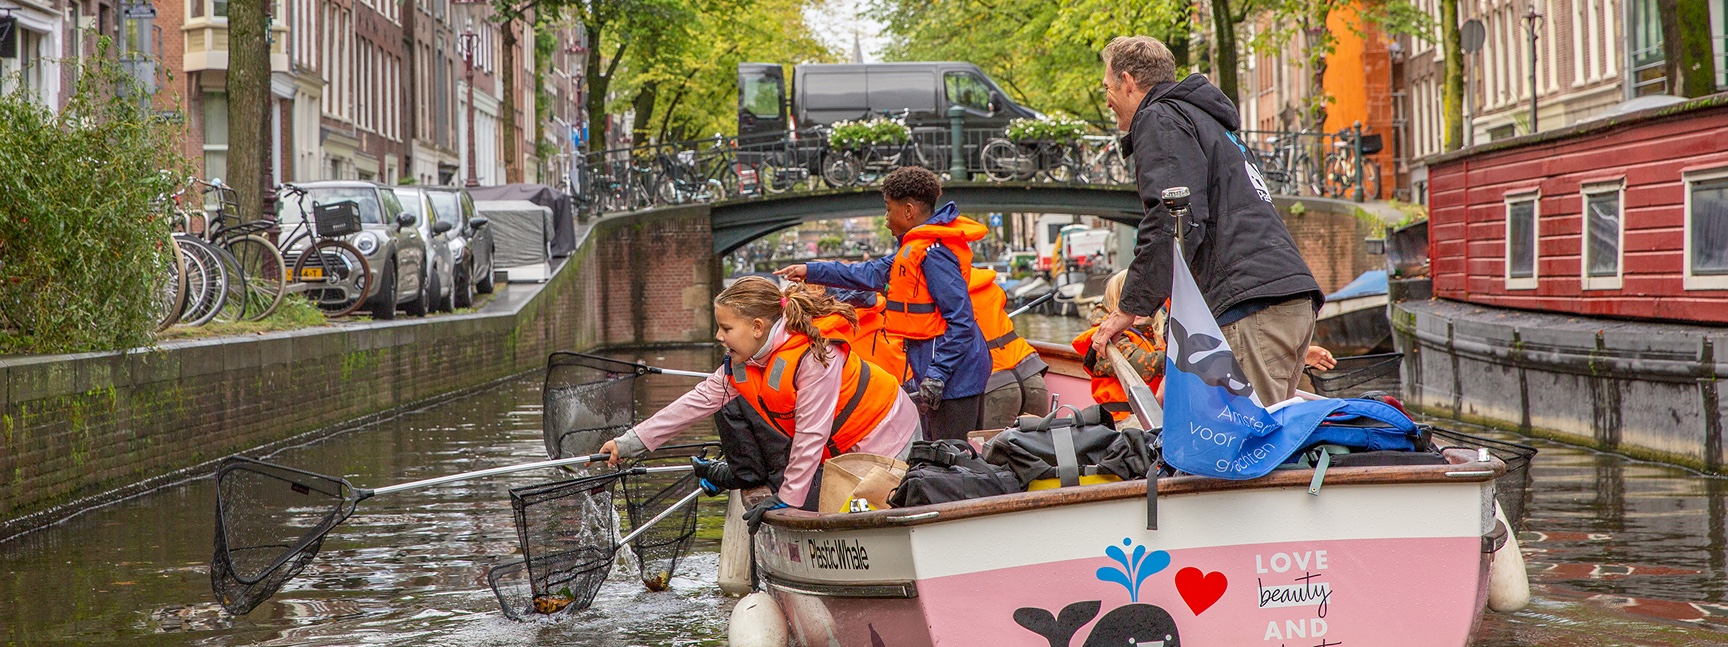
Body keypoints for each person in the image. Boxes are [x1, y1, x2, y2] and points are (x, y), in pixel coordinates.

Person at [1092, 35, 1324, 405]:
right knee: (1266, 438)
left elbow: (1174, 218)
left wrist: (1129, 307)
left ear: (1128, 81)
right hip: (1289, 298)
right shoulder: (1208, 122)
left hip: (1250, 306)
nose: (1107, 99)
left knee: (1248, 448)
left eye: (1107, 87)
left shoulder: (1159, 118)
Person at [599, 278, 919, 528]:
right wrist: (627, 444)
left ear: (756, 327)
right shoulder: (744, 365)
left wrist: (786, 499)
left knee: (868, 510)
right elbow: (692, 404)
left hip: (887, 431)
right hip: (844, 448)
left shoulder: (811, 356)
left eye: (726, 328)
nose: (719, 337)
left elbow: (811, 435)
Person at [775, 167, 991, 440]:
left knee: (953, 460)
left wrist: (937, 374)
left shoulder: (933, 254)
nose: (886, 219)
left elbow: (961, 320)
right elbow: (868, 273)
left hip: (956, 376)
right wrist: (811, 270)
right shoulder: (913, 249)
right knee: (944, 457)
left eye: (888, 210)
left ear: (909, 210)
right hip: (945, 370)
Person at [1071, 271, 1167, 423]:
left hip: (1154, 414)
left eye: (1145, 301)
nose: (1138, 308)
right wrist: (1181, 356)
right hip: (1125, 420)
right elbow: (1142, 367)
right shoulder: (1108, 340)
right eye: (1132, 302)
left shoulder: (1156, 337)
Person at [968, 267, 1051, 429]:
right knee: (1037, 448)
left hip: (995, 382)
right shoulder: (989, 285)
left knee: (993, 452)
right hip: (1030, 372)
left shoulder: (944, 291)